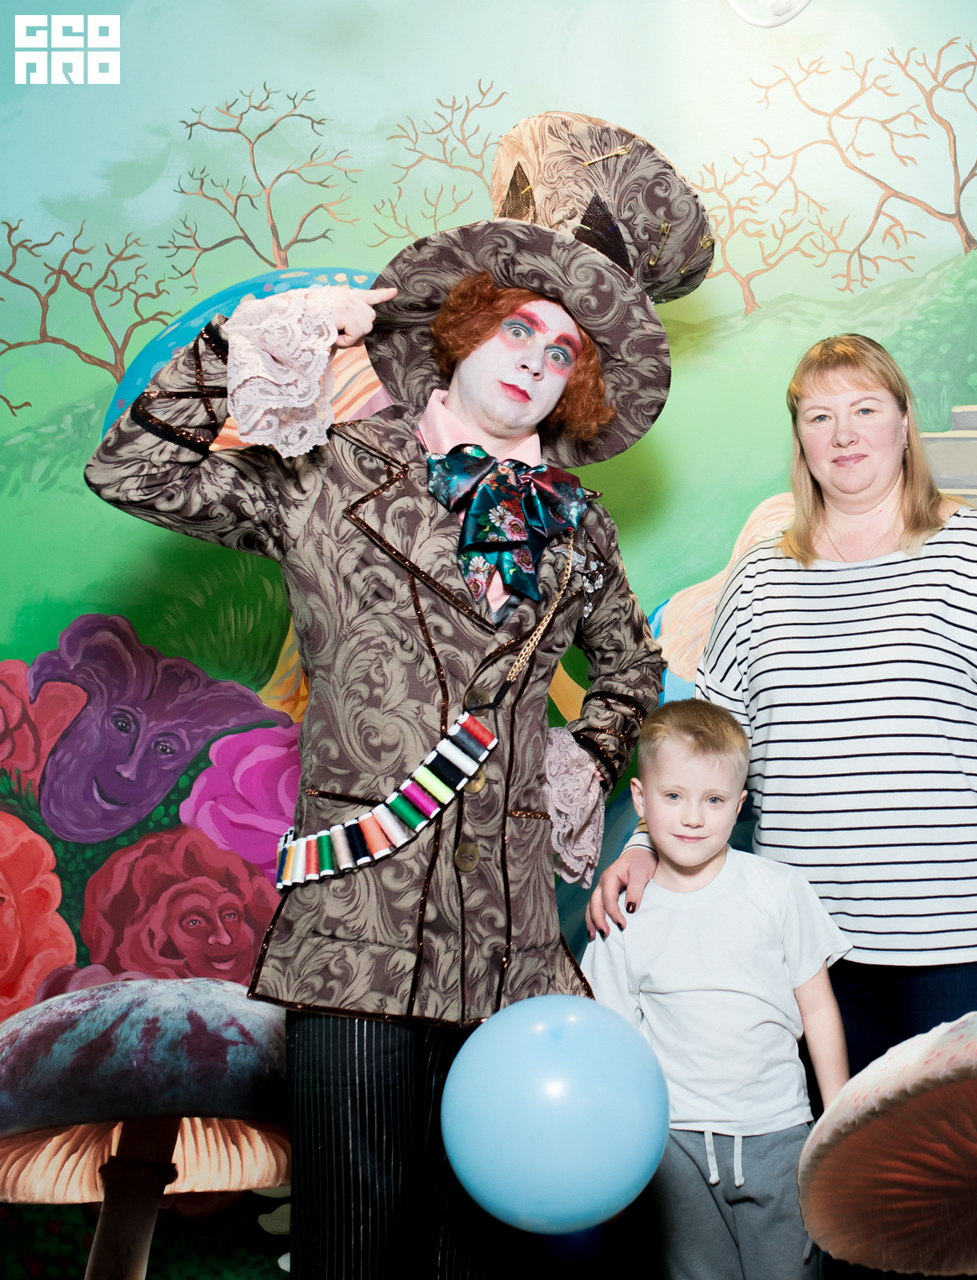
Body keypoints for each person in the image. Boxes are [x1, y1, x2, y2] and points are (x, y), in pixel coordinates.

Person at [85, 193, 701, 1273]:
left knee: (479, 1258)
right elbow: (131, 468)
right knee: (355, 1251)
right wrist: (252, 340)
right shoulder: (326, 469)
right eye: (517, 327)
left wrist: (581, 760)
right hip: (354, 936)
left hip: (510, 949)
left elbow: (633, 670)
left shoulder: (576, 523)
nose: (536, 358)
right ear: (460, 334)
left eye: (562, 351)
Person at [590, 334, 977, 1074]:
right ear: (800, 439)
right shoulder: (759, 581)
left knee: (969, 1144)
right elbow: (705, 750)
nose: (844, 434)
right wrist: (642, 849)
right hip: (809, 952)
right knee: (835, 1147)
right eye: (820, 417)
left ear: (904, 422)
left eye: (865, 409)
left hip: (969, 941)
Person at [582, 699, 849, 1280]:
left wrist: (840, 1119)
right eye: (674, 796)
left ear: (740, 806)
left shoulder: (779, 890)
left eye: (714, 800)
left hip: (780, 1136)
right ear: (640, 800)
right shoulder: (621, 914)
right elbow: (614, 1045)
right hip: (672, 1148)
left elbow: (819, 1009)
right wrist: (620, 1149)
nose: (692, 817)